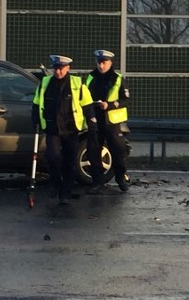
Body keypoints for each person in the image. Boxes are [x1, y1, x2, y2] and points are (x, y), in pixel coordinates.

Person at [32, 55, 95, 204]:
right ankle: (54, 184)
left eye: (61, 68)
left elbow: (87, 104)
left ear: (68, 68)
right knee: (53, 157)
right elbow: (36, 103)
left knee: (70, 161)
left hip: (71, 128)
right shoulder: (45, 83)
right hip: (52, 127)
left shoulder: (77, 84)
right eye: (56, 68)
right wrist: (35, 119)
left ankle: (66, 192)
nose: (58, 71)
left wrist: (92, 121)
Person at [85, 49, 131, 192]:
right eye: (99, 62)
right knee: (93, 151)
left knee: (118, 151)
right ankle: (97, 182)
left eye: (104, 62)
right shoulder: (90, 77)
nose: (101, 65)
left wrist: (109, 105)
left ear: (110, 63)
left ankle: (120, 178)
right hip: (95, 119)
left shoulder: (117, 78)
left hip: (111, 121)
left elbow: (125, 100)